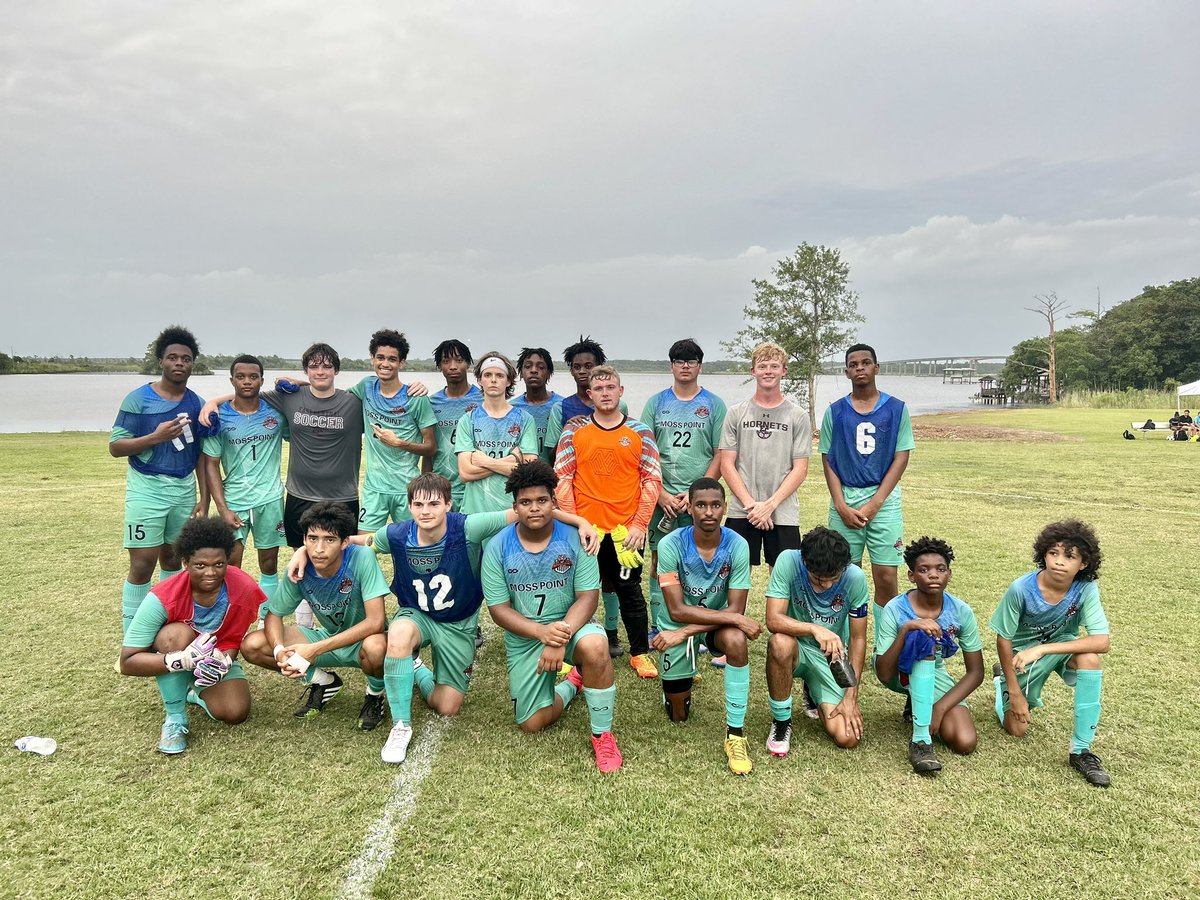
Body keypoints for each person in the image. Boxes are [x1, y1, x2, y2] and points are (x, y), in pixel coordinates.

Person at [347, 472, 597, 763]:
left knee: (447, 705)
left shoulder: (468, 527)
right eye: (418, 505)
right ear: (410, 507)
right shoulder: (396, 534)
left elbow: (527, 512)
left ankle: (415, 668)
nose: (426, 511)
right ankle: (401, 726)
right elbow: (363, 542)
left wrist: (580, 521)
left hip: (458, 623)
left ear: (449, 504)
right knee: (400, 634)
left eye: (434, 504)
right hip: (418, 615)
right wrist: (308, 550)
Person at [483, 461, 623, 772]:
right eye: (526, 502)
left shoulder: (577, 538)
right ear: (515, 507)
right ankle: (574, 682)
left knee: (596, 648)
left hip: (575, 625)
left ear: (554, 502)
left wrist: (559, 636)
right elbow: (498, 610)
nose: (535, 508)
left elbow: (588, 597)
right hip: (526, 637)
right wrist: (541, 634)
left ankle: (602, 734)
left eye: (542, 500)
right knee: (533, 724)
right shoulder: (496, 547)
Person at [120, 517, 264, 754]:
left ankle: (193, 691)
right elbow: (127, 662)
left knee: (234, 712)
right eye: (200, 565)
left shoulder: (244, 588)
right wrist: (178, 660)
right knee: (173, 636)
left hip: (211, 657)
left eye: (219, 564)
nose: (211, 573)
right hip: (174, 649)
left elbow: (233, 640)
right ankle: (175, 718)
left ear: (228, 560)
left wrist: (223, 661)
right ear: (185, 563)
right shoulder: (163, 596)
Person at [555, 365, 663, 678]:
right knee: (575, 593)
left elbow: (652, 479)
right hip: (585, 532)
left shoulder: (640, 432)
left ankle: (640, 652)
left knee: (630, 591)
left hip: (624, 533)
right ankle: (569, 652)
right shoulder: (574, 430)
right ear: (589, 394)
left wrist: (640, 524)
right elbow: (563, 477)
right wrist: (574, 523)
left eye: (610, 388)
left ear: (620, 391)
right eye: (598, 389)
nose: (605, 393)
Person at [240, 502, 389, 729]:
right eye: (312, 538)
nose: (319, 548)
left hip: (364, 641)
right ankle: (323, 682)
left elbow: (376, 622)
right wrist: (280, 651)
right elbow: (274, 614)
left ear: (345, 542)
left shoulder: (362, 558)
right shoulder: (299, 567)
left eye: (329, 540)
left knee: (377, 647)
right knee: (253, 644)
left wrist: (314, 650)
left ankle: (374, 695)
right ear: (304, 540)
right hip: (328, 637)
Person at [990, 520, 1112, 787]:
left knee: (1090, 659)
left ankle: (1081, 750)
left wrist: (1044, 648)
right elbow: (1003, 639)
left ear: (1083, 564)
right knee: (1017, 730)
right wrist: (1015, 692)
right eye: (1053, 553)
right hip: (1021, 657)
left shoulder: (1085, 588)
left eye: (1069, 556)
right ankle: (1002, 686)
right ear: (1043, 554)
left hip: (1053, 648)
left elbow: (1102, 642)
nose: (1059, 561)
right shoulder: (1020, 589)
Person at [651, 478, 760, 774]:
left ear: (725, 508)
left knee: (736, 641)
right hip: (675, 622)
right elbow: (676, 609)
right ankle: (678, 676)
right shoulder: (670, 544)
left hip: (705, 626)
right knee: (678, 715)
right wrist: (731, 618)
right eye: (701, 505)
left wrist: (686, 633)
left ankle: (735, 734)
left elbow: (736, 609)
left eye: (715, 505)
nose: (708, 512)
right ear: (691, 509)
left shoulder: (738, 544)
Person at [110, 325, 212, 636]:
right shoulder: (138, 400)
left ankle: (165, 627)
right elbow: (115, 446)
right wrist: (155, 437)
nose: (180, 363)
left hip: (183, 492)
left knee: (172, 560)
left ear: (193, 363)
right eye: (173, 357)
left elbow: (201, 455)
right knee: (142, 563)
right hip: (147, 490)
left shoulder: (197, 404)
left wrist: (204, 497)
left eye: (186, 358)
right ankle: (134, 637)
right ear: (161, 361)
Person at [641, 338, 727, 658]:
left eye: (691, 360)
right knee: (658, 563)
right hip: (660, 497)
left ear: (700, 366)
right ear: (672, 366)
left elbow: (720, 454)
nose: (686, 365)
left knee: (700, 563)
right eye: (679, 360)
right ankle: (658, 624)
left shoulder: (714, 405)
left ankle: (699, 629)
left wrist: (697, 496)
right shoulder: (655, 403)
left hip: (698, 500)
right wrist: (660, 493)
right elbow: (644, 451)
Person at [820, 344, 913, 632]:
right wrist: (840, 504)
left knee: (886, 576)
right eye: (853, 364)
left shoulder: (896, 409)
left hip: (883, 501)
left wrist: (875, 503)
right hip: (846, 498)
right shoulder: (835, 412)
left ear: (876, 367)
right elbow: (828, 459)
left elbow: (901, 457)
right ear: (846, 371)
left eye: (866, 362)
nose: (860, 367)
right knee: (844, 574)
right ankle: (843, 643)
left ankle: (885, 645)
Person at [545, 335, 629, 655]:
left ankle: (611, 631)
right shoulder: (562, 408)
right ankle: (576, 627)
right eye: (577, 367)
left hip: (609, 503)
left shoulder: (617, 407)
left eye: (589, 366)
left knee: (610, 572)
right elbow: (555, 457)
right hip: (575, 503)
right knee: (576, 568)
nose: (583, 371)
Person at [873, 537, 983, 775]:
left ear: (949, 574)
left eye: (940, 569)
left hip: (934, 671)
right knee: (923, 638)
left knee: (964, 741)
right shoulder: (895, 607)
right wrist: (907, 628)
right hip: (897, 671)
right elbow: (883, 672)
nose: (933, 575)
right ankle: (920, 742)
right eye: (924, 570)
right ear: (911, 576)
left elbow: (976, 672)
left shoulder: (961, 611)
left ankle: (919, 703)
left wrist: (940, 708)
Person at [764, 526, 869, 755]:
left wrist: (851, 697)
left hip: (831, 658)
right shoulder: (788, 561)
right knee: (780, 642)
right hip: (797, 646)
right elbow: (772, 619)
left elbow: (859, 639)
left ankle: (815, 691)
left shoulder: (855, 578)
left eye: (834, 579)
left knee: (847, 737)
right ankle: (782, 722)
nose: (827, 586)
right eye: (819, 580)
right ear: (805, 562)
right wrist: (814, 629)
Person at [203, 354, 287, 617]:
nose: (247, 381)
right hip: (235, 501)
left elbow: (312, 397)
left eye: (253, 376)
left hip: (270, 500)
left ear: (262, 380)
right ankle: (230, 618)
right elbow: (211, 465)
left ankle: (266, 619)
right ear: (232, 380)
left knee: (269, 563)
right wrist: (222, 508)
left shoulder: (276, 413)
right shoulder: (220, 416)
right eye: (241, 377)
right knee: (231, 565)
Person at [718, 342, 811, 574]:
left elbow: (800, 469)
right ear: (753, 371)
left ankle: (778, 614)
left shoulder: (797, 416)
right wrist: (752, 505)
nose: (768, 371)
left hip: (783, 511)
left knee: (783, 577)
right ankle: (736, 614)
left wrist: (770, 505)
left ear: (784, 370)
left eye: (774, 366)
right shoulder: (736, 412)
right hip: (743, 509)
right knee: (735, 576)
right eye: (762, 366)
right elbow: (726, 463)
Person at [350, 329, 436, 531]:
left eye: (392, 359)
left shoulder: (416, 398)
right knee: (363, 548)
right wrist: (303, 384)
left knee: (409, 549)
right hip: (374, 489)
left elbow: (431, 447)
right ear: (372, 359)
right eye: (380, 357)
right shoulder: (366, 386)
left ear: (401, 362)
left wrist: (399, 443)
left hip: (406, 489)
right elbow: (332, 397)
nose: (385, 364)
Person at [455, 352, 538, 515]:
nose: (493, 380)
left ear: (508, 381)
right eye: (488, 375)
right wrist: (512, 460)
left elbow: (530, 472)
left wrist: (485, 461)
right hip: (475, 511)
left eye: (499, 375)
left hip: (513, 510)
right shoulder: (468, 420)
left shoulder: (524, 419)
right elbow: (465, 473)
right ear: (480, 380)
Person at [426, 339, 481, 512]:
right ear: (439, 366)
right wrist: (426, 484)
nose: (452, 366)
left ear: (468, 364)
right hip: (442, 488)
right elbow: (429, 448)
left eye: (459, 360)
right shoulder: (431, 403)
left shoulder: (484, 400)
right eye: (446, 361)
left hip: (475, 486)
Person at [511, 346, 564, 462]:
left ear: (549, 374)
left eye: (541, 367)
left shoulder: (562, 406)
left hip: (554, 476)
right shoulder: (512, 408)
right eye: (528, 366)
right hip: (521, 475)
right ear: (520, 373)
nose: (534, 370)